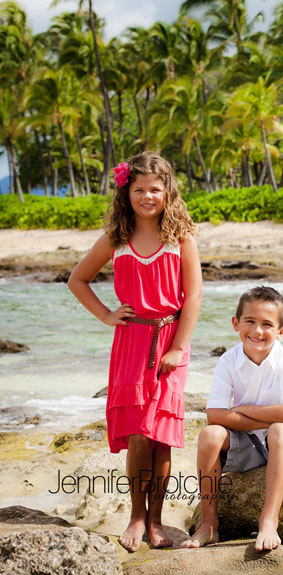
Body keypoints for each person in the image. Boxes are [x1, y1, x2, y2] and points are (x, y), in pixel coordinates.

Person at [68, 152, 201, 552]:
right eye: (139, 189)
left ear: (167, 192)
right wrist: (107, 315)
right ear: (126, 193)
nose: (147, 197)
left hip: (171, 340)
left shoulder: (181, 238)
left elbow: (194, 296)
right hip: (131, 341)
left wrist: (178, 348)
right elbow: (77, 280)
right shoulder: (117, 238)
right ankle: (136, 517)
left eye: (155, 189)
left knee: (161, 436)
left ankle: (157, 521)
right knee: (139, 436)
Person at [183, 286, 283, 551]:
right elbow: (214, 415)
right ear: (236, 323)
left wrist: (245, 409)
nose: (257, 331)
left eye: (267, 324)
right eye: (250, 321)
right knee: (210, 434)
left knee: (280, 429)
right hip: (250, 443)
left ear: (281, 332)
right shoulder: (228, 360)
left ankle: (269, 521)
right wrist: (268, 419)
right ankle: (209, 524)